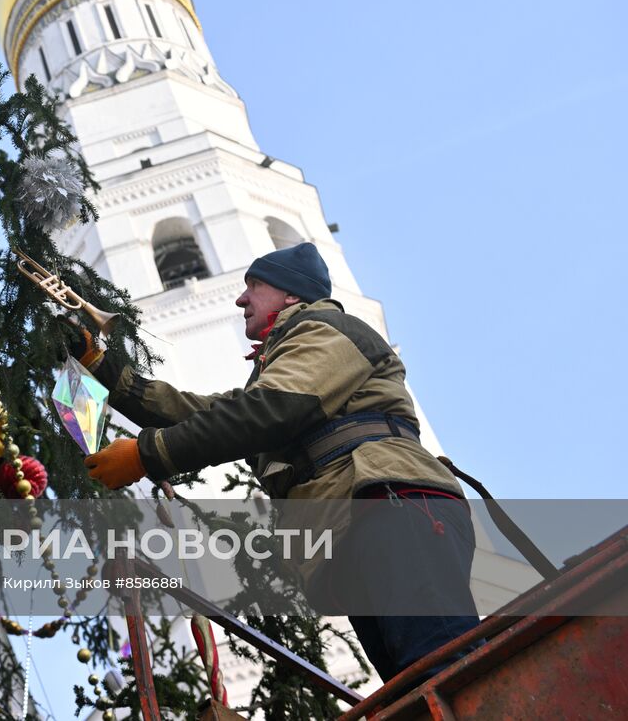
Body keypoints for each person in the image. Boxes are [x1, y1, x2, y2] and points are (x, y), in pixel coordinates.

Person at [75, 242, 481, 683]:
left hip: (390, 505)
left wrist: (146, 454)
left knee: (443, 665)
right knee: (417, 683)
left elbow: (267, 412)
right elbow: (209, 413)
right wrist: (107, 370)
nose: (240, 299)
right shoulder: (289, 357)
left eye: (255, 285)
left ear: (291, 295)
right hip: (357, 517)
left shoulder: (327, 330)